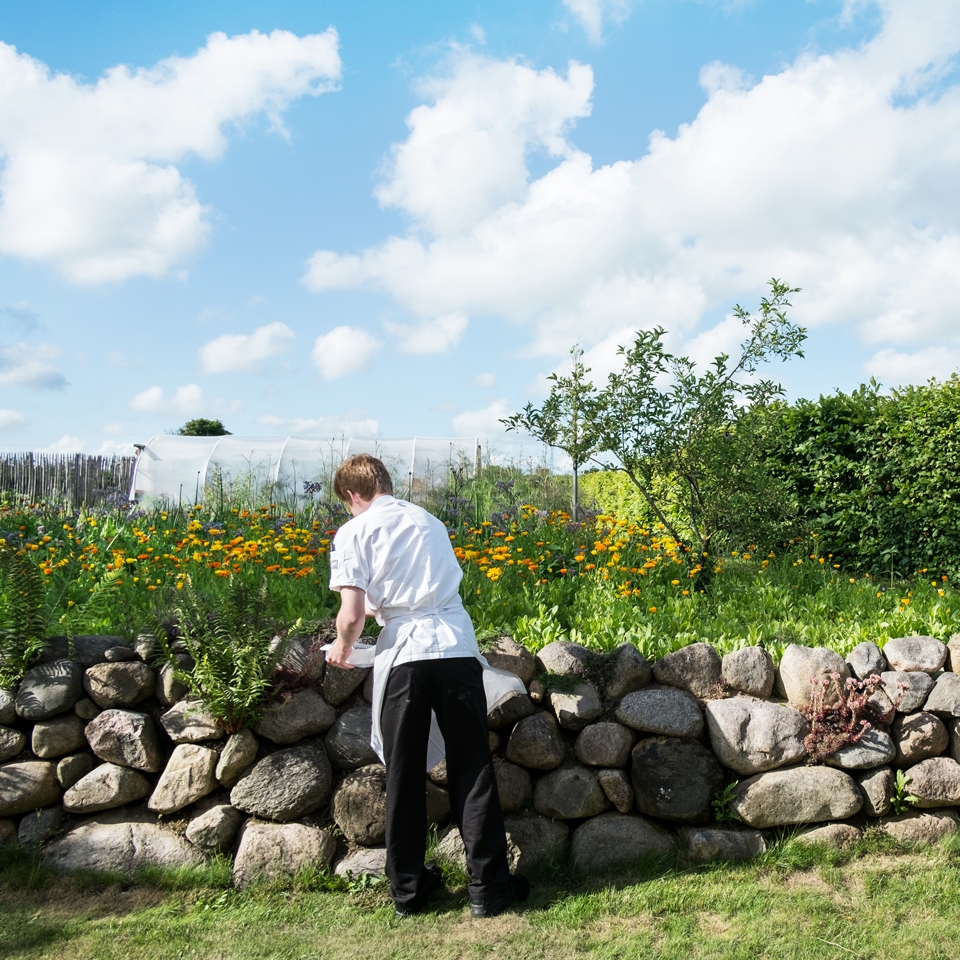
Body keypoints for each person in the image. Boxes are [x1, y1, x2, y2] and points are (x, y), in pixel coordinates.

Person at [325, 454, 530, 918]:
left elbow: (353, 613)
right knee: (472, 765)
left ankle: (410, 890)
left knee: (403, 771)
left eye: (347, 504)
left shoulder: (354, 531)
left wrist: (341, 647)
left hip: (407, 655)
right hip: (455, 648)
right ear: (384, 483)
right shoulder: (430, 521)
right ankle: (489, 887)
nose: (349, 511)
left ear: (353, 495)